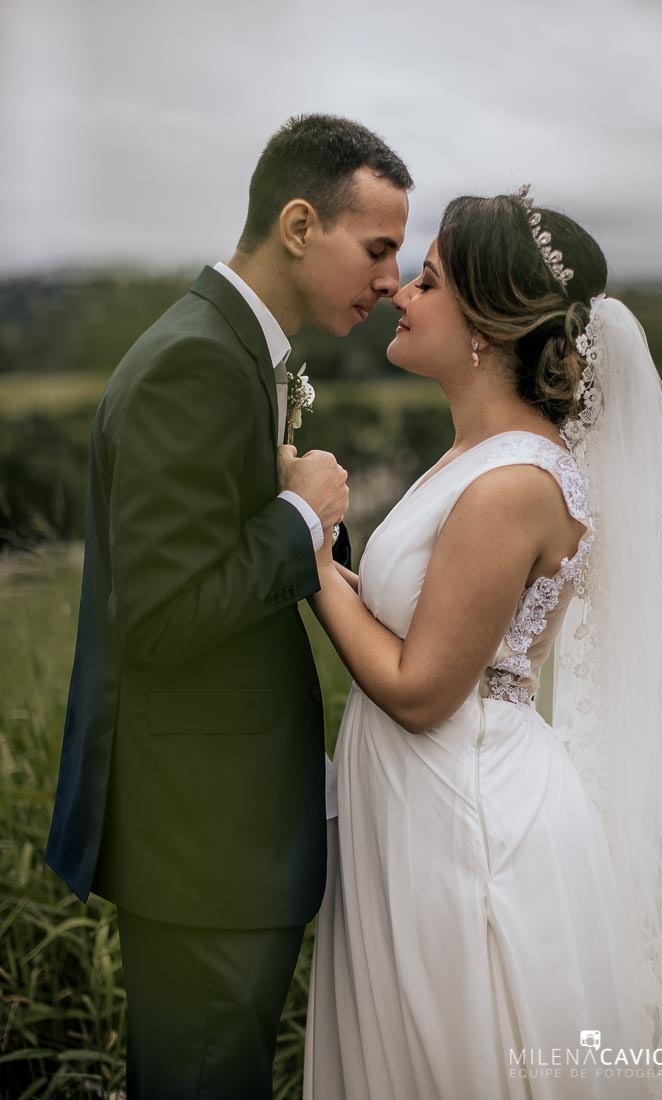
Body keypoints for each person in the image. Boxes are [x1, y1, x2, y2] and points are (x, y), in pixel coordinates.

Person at [303, 188, 662, 1098]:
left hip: (464, 822)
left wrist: (304, 555)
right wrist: (315, 532)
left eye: (426, 281)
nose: (399, 294)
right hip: (420, 803)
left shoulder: (514, 484)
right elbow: (412, 620)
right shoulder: (477, 456)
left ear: (485, 329)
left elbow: (421, 689)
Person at [44, 114, 412, 1099]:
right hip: (205, 841)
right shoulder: (197, 361)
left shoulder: (233, 350)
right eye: (377, 248)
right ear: (299, 224)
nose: (390, 279)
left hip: (217, 834)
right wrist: (299, 515)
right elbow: (162, 616)